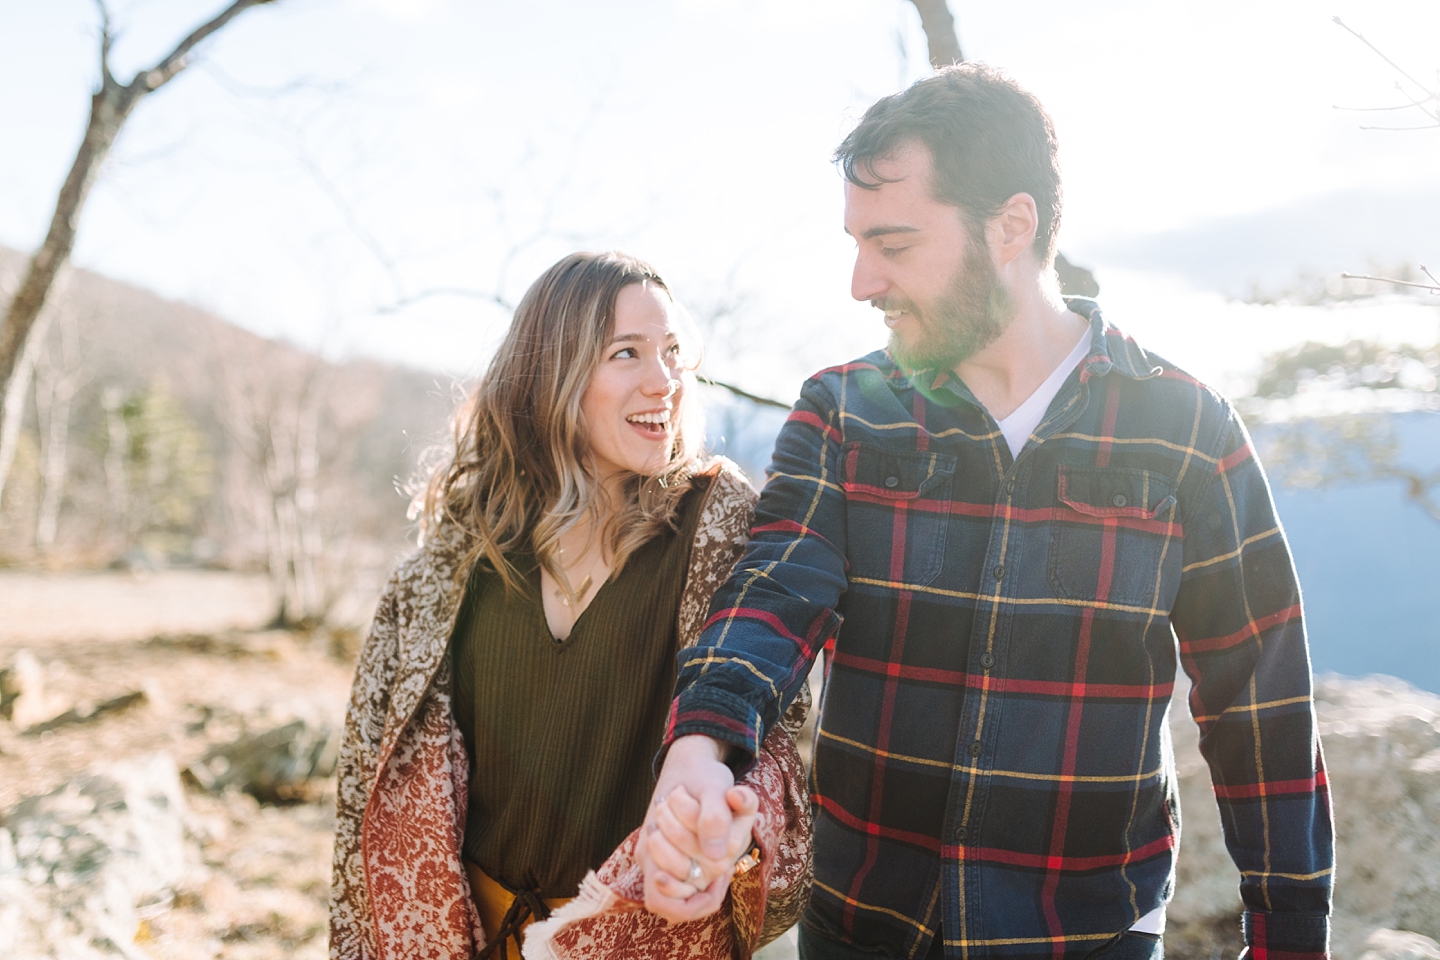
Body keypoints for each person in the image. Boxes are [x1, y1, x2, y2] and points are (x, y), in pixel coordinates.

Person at [642, 65, 1334, 960]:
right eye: (855, 241)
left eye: (893, 243)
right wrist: (702, 743)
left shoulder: (1186, 431)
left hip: (1087, 935)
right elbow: (774, 595)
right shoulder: (844, 412)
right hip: (866, 928)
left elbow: (1260, 703)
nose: (861, 281)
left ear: (1012, 226)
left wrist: (1291, 940)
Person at [328, 251, 812, 960]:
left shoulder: (718, 525)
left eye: (674, 352)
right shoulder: (460, 556)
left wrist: (728, 828)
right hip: (471, 937)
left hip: (641, 940)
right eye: (627, 353)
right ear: (551, 374)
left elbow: (769, 742)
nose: (666, 381)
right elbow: (376, 780)